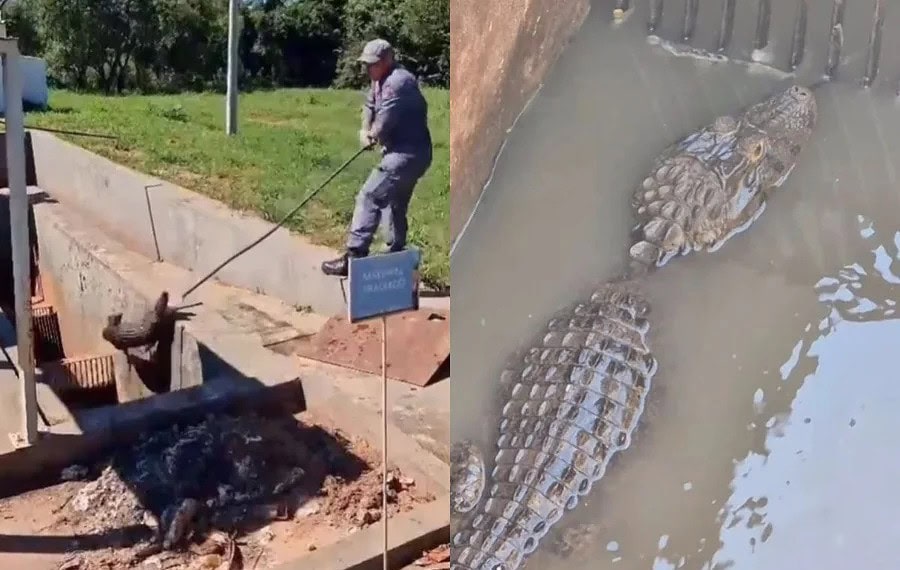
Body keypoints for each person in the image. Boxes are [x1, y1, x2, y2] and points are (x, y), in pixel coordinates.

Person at [321, 38, 433, 277]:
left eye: (373, 64)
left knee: (370, 195)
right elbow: (370, 105)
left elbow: (385, 118)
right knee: (394, 202)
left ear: (387, 60)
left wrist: (373, 134)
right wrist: (364, 129)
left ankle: (354, 256)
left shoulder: (398, 82)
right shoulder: (378, 80)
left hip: (408, 154)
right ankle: (395, 257)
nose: (369, 68)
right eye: (367, 64)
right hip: (405, 152)